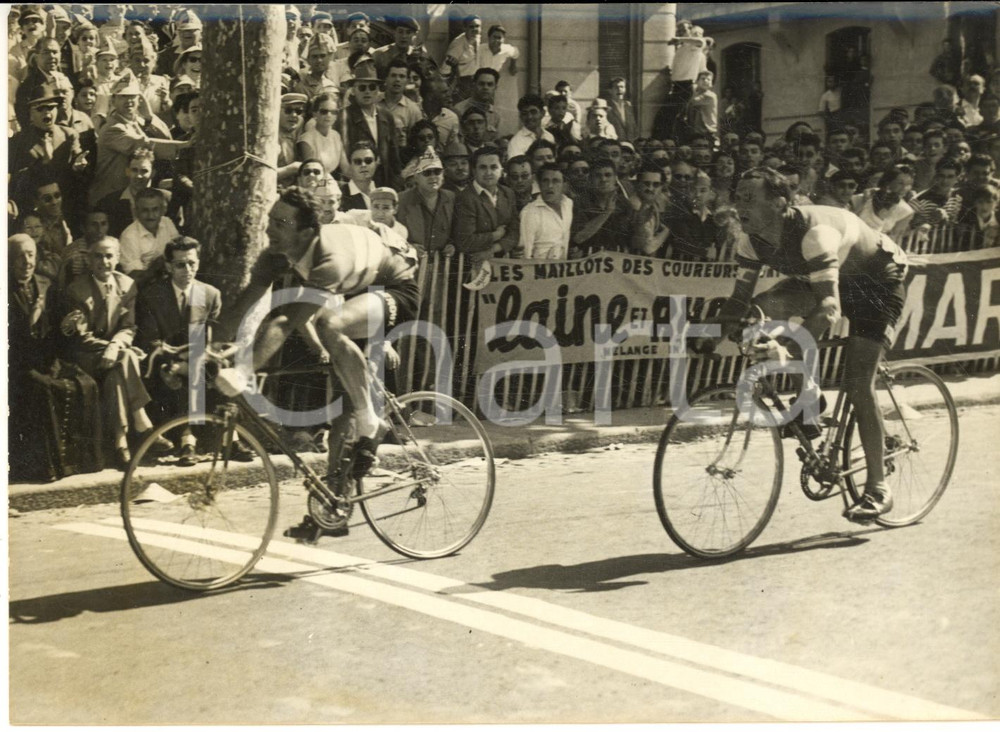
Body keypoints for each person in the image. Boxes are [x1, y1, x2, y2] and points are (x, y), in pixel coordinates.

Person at [702, 167, 909, 522]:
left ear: (780, 203)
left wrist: (787, 345)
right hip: (833, 278)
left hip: (878, 281)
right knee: (760, 308)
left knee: (858, 383)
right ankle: (809, 401)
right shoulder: (750, 241)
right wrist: (705, 340)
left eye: (749, 198)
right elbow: (738, 303)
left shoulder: (816, 234)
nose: (739, 205)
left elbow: (829, 309)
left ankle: (878, 488)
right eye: (738, 197)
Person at [219, 186, 421, 537]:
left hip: (392, 288)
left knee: (329, 325)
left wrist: (243, 371)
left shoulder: (330, 260)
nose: (270, 229)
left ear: (307, 231)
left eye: (280, 223)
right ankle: (333, 508)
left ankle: (372, 421)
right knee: (341, 421)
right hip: (353, 291)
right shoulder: (276, 255)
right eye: (270, 219)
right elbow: (244, 305)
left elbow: (286, 321)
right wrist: (206, 349)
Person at [62, 236, 172, 468]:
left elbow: (128, 327)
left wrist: (115, 347)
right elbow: (83, 337)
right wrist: (110, 348)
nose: (104, 262)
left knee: (118, 370)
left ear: (118, 258)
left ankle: (121, 442)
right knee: (128, 356)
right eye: (98, 256)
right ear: (89, 260)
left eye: (110, 256)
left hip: (115, 357)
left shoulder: (127, 285)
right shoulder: (76, 290)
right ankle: (143, 424)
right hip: (87, 357)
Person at [135, 235, 231, 466]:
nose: (187, 270)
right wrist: (177, 362)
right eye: (180, 264)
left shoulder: (209, 294)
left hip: (199, 361)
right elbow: (151, 340)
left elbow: (216, 340)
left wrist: (191, 362)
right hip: (166, 363)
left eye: (192, 263)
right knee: (182, 374)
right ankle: (198, 438)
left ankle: (198, 438)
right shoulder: (152, 295)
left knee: (216, 367)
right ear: (168, 266)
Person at [453, 145, 520, 266]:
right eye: (483, 167)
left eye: (494, 167)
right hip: (474, 265)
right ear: (474, 171)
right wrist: (496, 235)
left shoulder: (508, 193)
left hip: (503, 264)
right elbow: (465, 241)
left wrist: (493, 249)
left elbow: (515, 232)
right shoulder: (466, 198)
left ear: (501, 170)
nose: (488, 172)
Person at [340, 65, 401, 188]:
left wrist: (396, 184)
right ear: (353, 90)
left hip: (383, 181)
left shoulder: (386, 115)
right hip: (356, 182)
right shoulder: (345, 116)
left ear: (378, 91)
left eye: (372, 87)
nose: (367, 91)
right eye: (362, 88)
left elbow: (393, 155)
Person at [396, 149, 456, 257]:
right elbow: (391, 235)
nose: (433, 176)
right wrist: (408, 247)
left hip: (442, 265)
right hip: (412, 266)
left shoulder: (451, 198)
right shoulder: (401, 201)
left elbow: (459, 231)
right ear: (416, 177)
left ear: (443, 176)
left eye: (437, 172)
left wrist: (453, 245)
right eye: (427, 173)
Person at [119, 187, 179, 282]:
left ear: (163, 210)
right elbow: (135, 279)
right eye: (145, 210)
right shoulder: (129, 236)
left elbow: (179, 252)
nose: (150, 216)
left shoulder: (167, 223)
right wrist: (155, 266)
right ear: (136, 211)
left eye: (155, 210)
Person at [519, 163, 573, 259]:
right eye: (545, 181)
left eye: (556, 181)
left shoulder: (568, 204)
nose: (550, 186)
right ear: (539, 184)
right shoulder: (530, 212)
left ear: (564, 184)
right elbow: (525, 253)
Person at [297, 93, 348, 178]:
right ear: (315, 114)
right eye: (324, 111)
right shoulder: (306, 140)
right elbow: (311, 173)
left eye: (333, 112)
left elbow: (345, 168)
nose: (329, 115)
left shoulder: (336, 136)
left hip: (331, 182)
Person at [379, 58, 425, 149]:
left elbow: (416, 141)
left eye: (402, 76)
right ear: (386, 78)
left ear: (407, 81)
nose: (397, 80)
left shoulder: (413, 110)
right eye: (393, 75)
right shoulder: (374, 101)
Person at [452, 67, 502, 143]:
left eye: (490, 84)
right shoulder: (459, 109)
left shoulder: (495, 115)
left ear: (495, 88)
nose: (485, 87)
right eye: (481, 84)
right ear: (474, 85)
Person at [443, 15, 482, 100]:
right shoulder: (457, 45)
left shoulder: (477, 38)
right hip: (462, 84)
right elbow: (445, 69)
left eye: (477, 26)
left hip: (475, 82)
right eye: (471, 27)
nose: (475, 29)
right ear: (465, 28)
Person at [506, 93, 555, 159]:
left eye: (533, 112)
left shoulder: (549, 137)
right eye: (524, 113)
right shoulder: (516, 143)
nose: (529, 117)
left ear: (542, 113)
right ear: (520, 117)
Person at [605, 77, 638, 142]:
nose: (619, 89)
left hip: (630, 143)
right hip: (614, 143)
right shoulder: (606, 106)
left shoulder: (628, 105)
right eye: (616, 87)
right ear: (610, 90)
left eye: (622, 87)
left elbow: (633, 126)